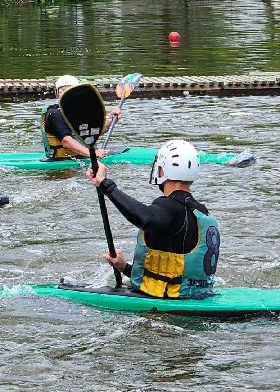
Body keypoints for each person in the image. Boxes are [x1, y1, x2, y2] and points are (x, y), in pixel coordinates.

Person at [86, 139, 219, 299]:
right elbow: (173, 271)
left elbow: (145, 219)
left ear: (162, 171)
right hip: (197, 296)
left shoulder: (169, 207)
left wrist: (105, 184)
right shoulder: (201, 212)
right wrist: (124, 267)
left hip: (168, 300)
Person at [43, 75, 120, 160]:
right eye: (63, 91)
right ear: (57, 94)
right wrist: (92, 154)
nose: (66, 94)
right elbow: (66, 141)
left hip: (80, 156)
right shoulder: (55, 114)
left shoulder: (79, 112)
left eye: (69, 90)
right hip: (62, 160)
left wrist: (112, 119)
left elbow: (94, 132)